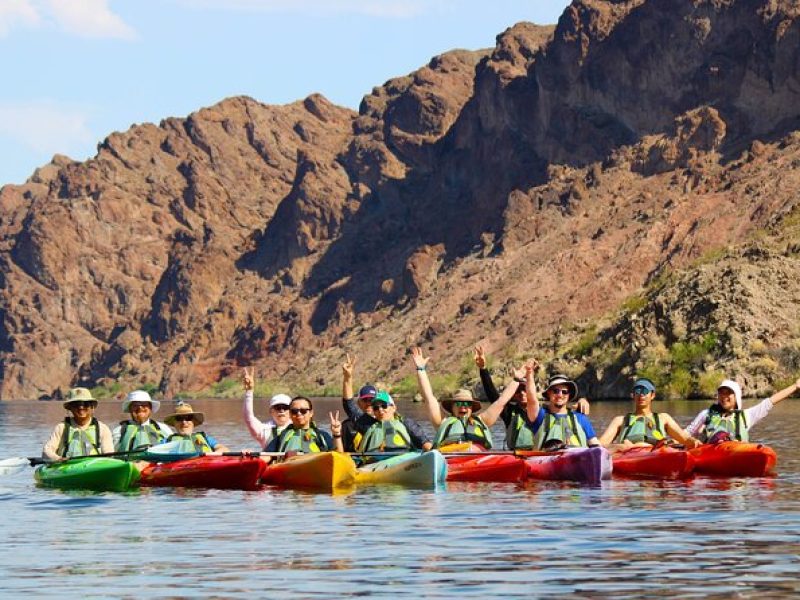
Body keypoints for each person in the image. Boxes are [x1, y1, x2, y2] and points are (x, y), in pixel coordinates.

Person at [474, 345, 590, 450]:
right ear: (513, 394)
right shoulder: (509, 412)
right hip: (516, 456)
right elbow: (493, 396)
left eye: (525, 389)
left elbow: (561, 406)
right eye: (518, 391)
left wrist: (581, 399)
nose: (523, 393)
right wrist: (483, 369)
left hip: (539, 455)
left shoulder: (543, 412)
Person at [411, 347, 524, 449]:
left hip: (477, 463)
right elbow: (429, 397)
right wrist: (421, 370)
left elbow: (501, 401)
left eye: (467, 404)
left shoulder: (482, 421)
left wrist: (516, 380)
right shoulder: (442, 421)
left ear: (472, 408)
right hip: (453, 462)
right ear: (452, 407)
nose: (464, 407)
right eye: (459, 404)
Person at [686, 377, 800, 443]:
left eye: (728, 393)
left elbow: (770, 402)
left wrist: (795, 386)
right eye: (721, 393)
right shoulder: (706, 414)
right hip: (709, 454)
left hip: (736, 453)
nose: (724, 396)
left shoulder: (747, 416)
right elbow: (687, 433)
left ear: (736, 397)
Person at [598, 378, 700, 450]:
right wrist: (618, 447)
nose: (641, 395)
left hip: (657, 452)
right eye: (637, 391)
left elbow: (684, 439)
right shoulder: (620, 420)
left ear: (652, 395)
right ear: (633, 395)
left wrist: (693, 441)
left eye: (645, 391)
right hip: (628, 453)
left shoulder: (664, 418)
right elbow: (600, 445)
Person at [524, 366, 600, 449]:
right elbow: (531, 399)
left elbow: (594, 444)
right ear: (549, 393)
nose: (560, 395)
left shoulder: (580, 417)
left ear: (569, 395)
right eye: (555, 391)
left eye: (564, 392)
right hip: (546, 459)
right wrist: (529, 373)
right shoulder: (540, 416)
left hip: (576, 459)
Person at [42, 387, 114, 461]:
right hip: (67, 468)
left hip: (94, 468)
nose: (81, 407)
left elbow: (109, 454)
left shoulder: (102, 428)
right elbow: (47, 451)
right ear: (70, 408)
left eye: (85, 404)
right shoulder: (61, 428)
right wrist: (58, 459)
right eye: (76, 404)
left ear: (92, 407)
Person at [357, 390, 433, 452]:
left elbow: (423, 441)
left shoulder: (406, 423)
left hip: (405, 460)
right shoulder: (370, 426)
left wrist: (431, 451)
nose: (380, 410)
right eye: (376, 408)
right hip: (376, 463)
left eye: (384, 406)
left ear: (393, 407)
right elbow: (349, 406)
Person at [264, 396, 344, 453]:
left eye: (303, 411)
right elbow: (266, 456)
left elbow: (339, 456)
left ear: (311, 413)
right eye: (294, 411)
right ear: (290, 414)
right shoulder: (282, 437)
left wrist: (336, 434)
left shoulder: (322, 435)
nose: (299, 414)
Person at [241, 367, 292, 448]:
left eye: (285, 407)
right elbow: (248, 418)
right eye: (278, 407)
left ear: (291, 411)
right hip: (269, 460)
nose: (282, 410)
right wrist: (249, 392)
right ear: (271, 411)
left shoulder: (299, 427)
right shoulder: (263, 430)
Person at [340, 354, 376, 452]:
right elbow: (348, 403)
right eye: (365, 400)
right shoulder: (350, 424)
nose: (369, 403)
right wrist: (348, 377)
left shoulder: (391, 422)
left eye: (372, 400)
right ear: (359, 402)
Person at [164, 403, 230, 454]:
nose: (184, 422)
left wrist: (215, 454)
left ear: (193, 422)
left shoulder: (205, 438)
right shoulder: (166, 441)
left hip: (206, 464)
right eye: (179, 418)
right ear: (174, 423)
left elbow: (223, 448)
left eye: (188, 418)